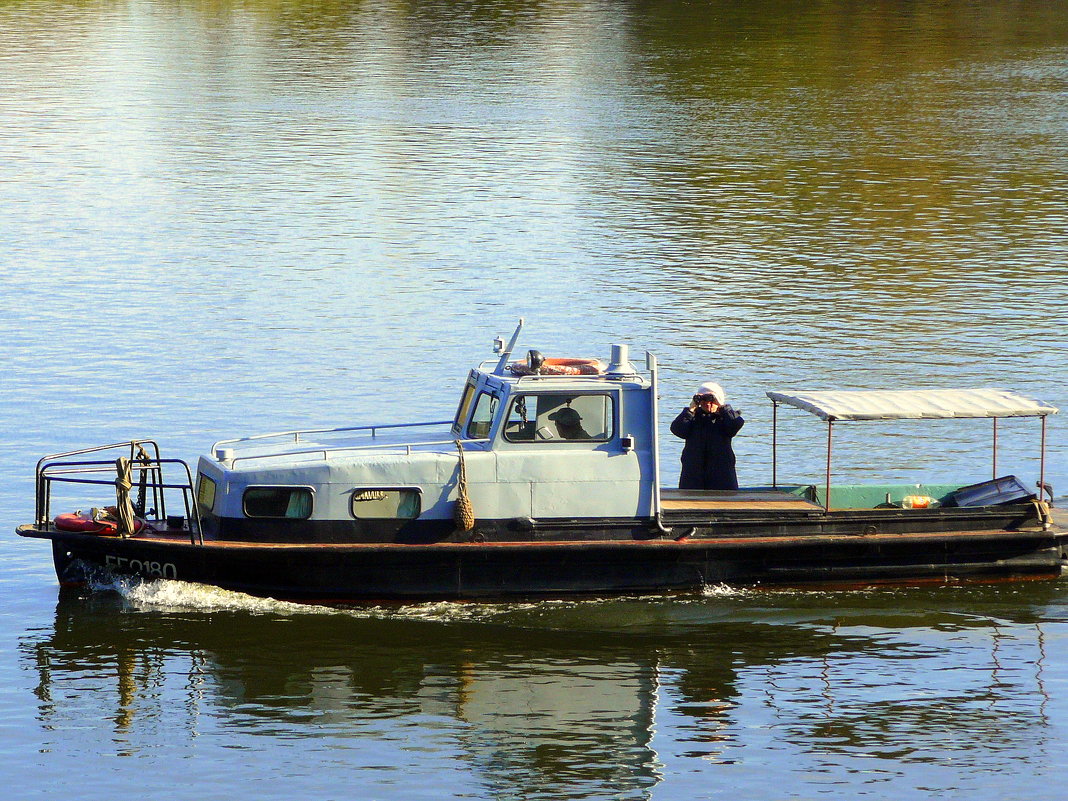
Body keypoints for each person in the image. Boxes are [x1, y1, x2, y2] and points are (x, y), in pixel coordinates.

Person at [670, 381, 744, 490]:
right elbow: (677, 429)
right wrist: (691, 409)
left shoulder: (725, 418)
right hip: (694, 475)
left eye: (712, 400)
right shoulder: (692, 418)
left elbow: (736, 424)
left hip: (721, 475)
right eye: (704, 400)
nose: (708, 404)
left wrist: (722, 406)